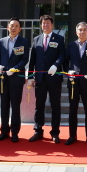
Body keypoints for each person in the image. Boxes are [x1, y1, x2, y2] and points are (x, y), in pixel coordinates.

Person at [28, 14, 66, 143]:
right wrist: (30, 76)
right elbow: (32, 59)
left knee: (55, 105)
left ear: (52, 25)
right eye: (43, 23)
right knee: (39, 105)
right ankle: (38, 130)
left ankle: (55, 132)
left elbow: (62, 55)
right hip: (40, 78)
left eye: (48, 23)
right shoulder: (36, 39)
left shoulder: (59, 39)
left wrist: (56, 65)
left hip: (54, 78)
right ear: (41, 25)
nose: (46, 25)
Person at [63, 22, 87, 146]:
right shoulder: (71, 46)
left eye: (84, 30)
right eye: (80, 30)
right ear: (76, 32)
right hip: (73, 82)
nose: (82, 32)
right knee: (73, 109)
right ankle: (72, 135)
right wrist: (68, 71)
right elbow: (65, 61)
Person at [0, 17, 29, 142]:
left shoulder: (24, 42)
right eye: (11, 25)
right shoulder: (1, 41)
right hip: (3, 78)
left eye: (16, 26)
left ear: (20, 29)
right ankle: (4, 131)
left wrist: (15, 68)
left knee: (15, 105)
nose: (13, 28)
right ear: (8, 27)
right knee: (4, 105)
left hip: (16, 78)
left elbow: (25, 59)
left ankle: (15, 132)